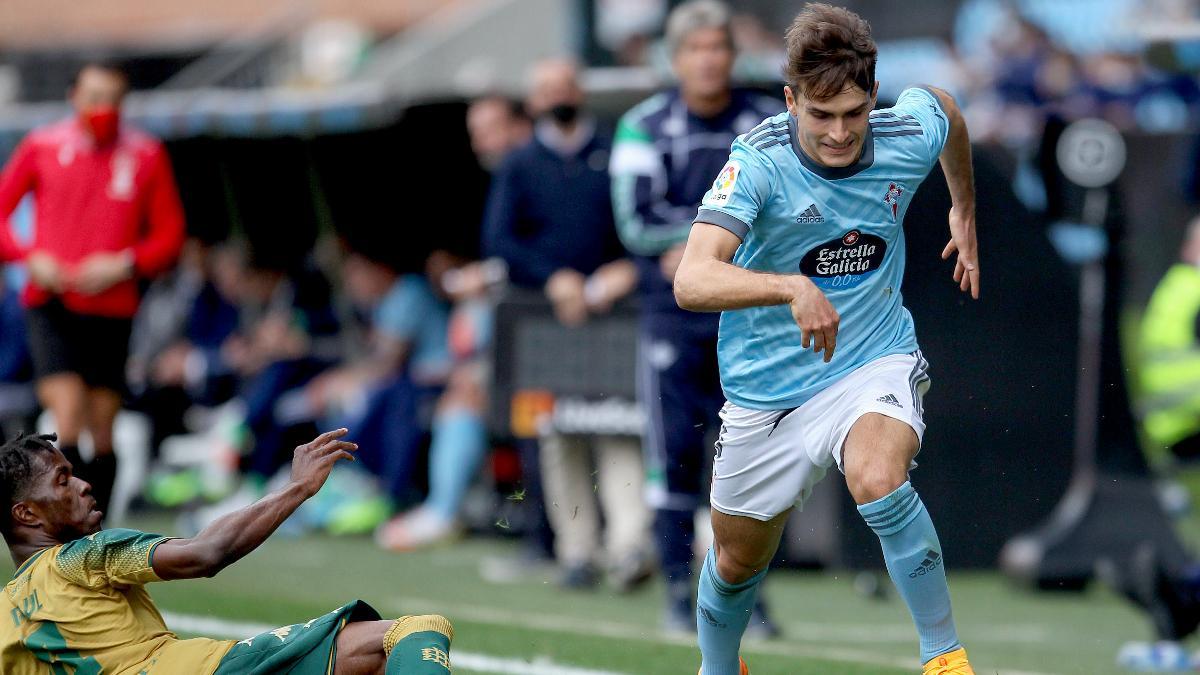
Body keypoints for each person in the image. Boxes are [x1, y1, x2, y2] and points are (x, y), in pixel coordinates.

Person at [672, 4, 979, 674]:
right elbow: (692, 279)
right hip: (766, 389)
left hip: (870, 358)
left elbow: (948, 109)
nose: (839, 133)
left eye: (854, 112)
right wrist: (789, 286)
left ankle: (945, 657)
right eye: (821, 114)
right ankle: (719, 667)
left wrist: (964, 206)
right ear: (791, 99)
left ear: (874, 97)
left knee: (878, 475)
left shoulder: (906, 131)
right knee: (735, 559)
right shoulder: (758, 162)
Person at [0, 429, 454, 673]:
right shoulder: (84, 556)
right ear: (26, 514)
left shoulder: (7, 616)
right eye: (63, 481)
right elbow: (207, 552)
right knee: (414, 630)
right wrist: (295, 489)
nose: (83, 485)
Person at [609, 0, 783, 634]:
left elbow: (796, 202)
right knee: (676, 458)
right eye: (697, 49)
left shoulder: (766, 120)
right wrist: (710, 241)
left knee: (756, 463)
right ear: (674, 58)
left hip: (754, 317)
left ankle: (750, 600)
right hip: (675, 319)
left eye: (719, 48)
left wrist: (703, 245)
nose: (709, 60)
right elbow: (634, 222)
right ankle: (680, 597)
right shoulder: (643, 125)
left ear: (732, 56)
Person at [479, 58, 651, 590]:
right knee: (557, 434)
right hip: (547, 320)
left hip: (614, 315)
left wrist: (623, 271)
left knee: (620, 428)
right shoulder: (521, 163)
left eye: (565, 87)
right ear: (533, 102)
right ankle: (577, 551)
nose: (558, 96)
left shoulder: (615, 152)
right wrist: (554, 278)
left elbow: (641, 224)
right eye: (546, 89)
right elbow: (500, 240)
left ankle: (628, 548)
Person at [0, 61, 186, 516]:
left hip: (112, 308)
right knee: (68, 415)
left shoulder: (145, 155)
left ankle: (99, 523)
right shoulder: (42, 145)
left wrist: (123, 263)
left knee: (103, 428)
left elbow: (169, 236)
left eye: (111, 99)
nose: (101, 108)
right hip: (53, 302)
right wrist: (31, 257)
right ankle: (69, 527)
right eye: (93, 97)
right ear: (73, 97)